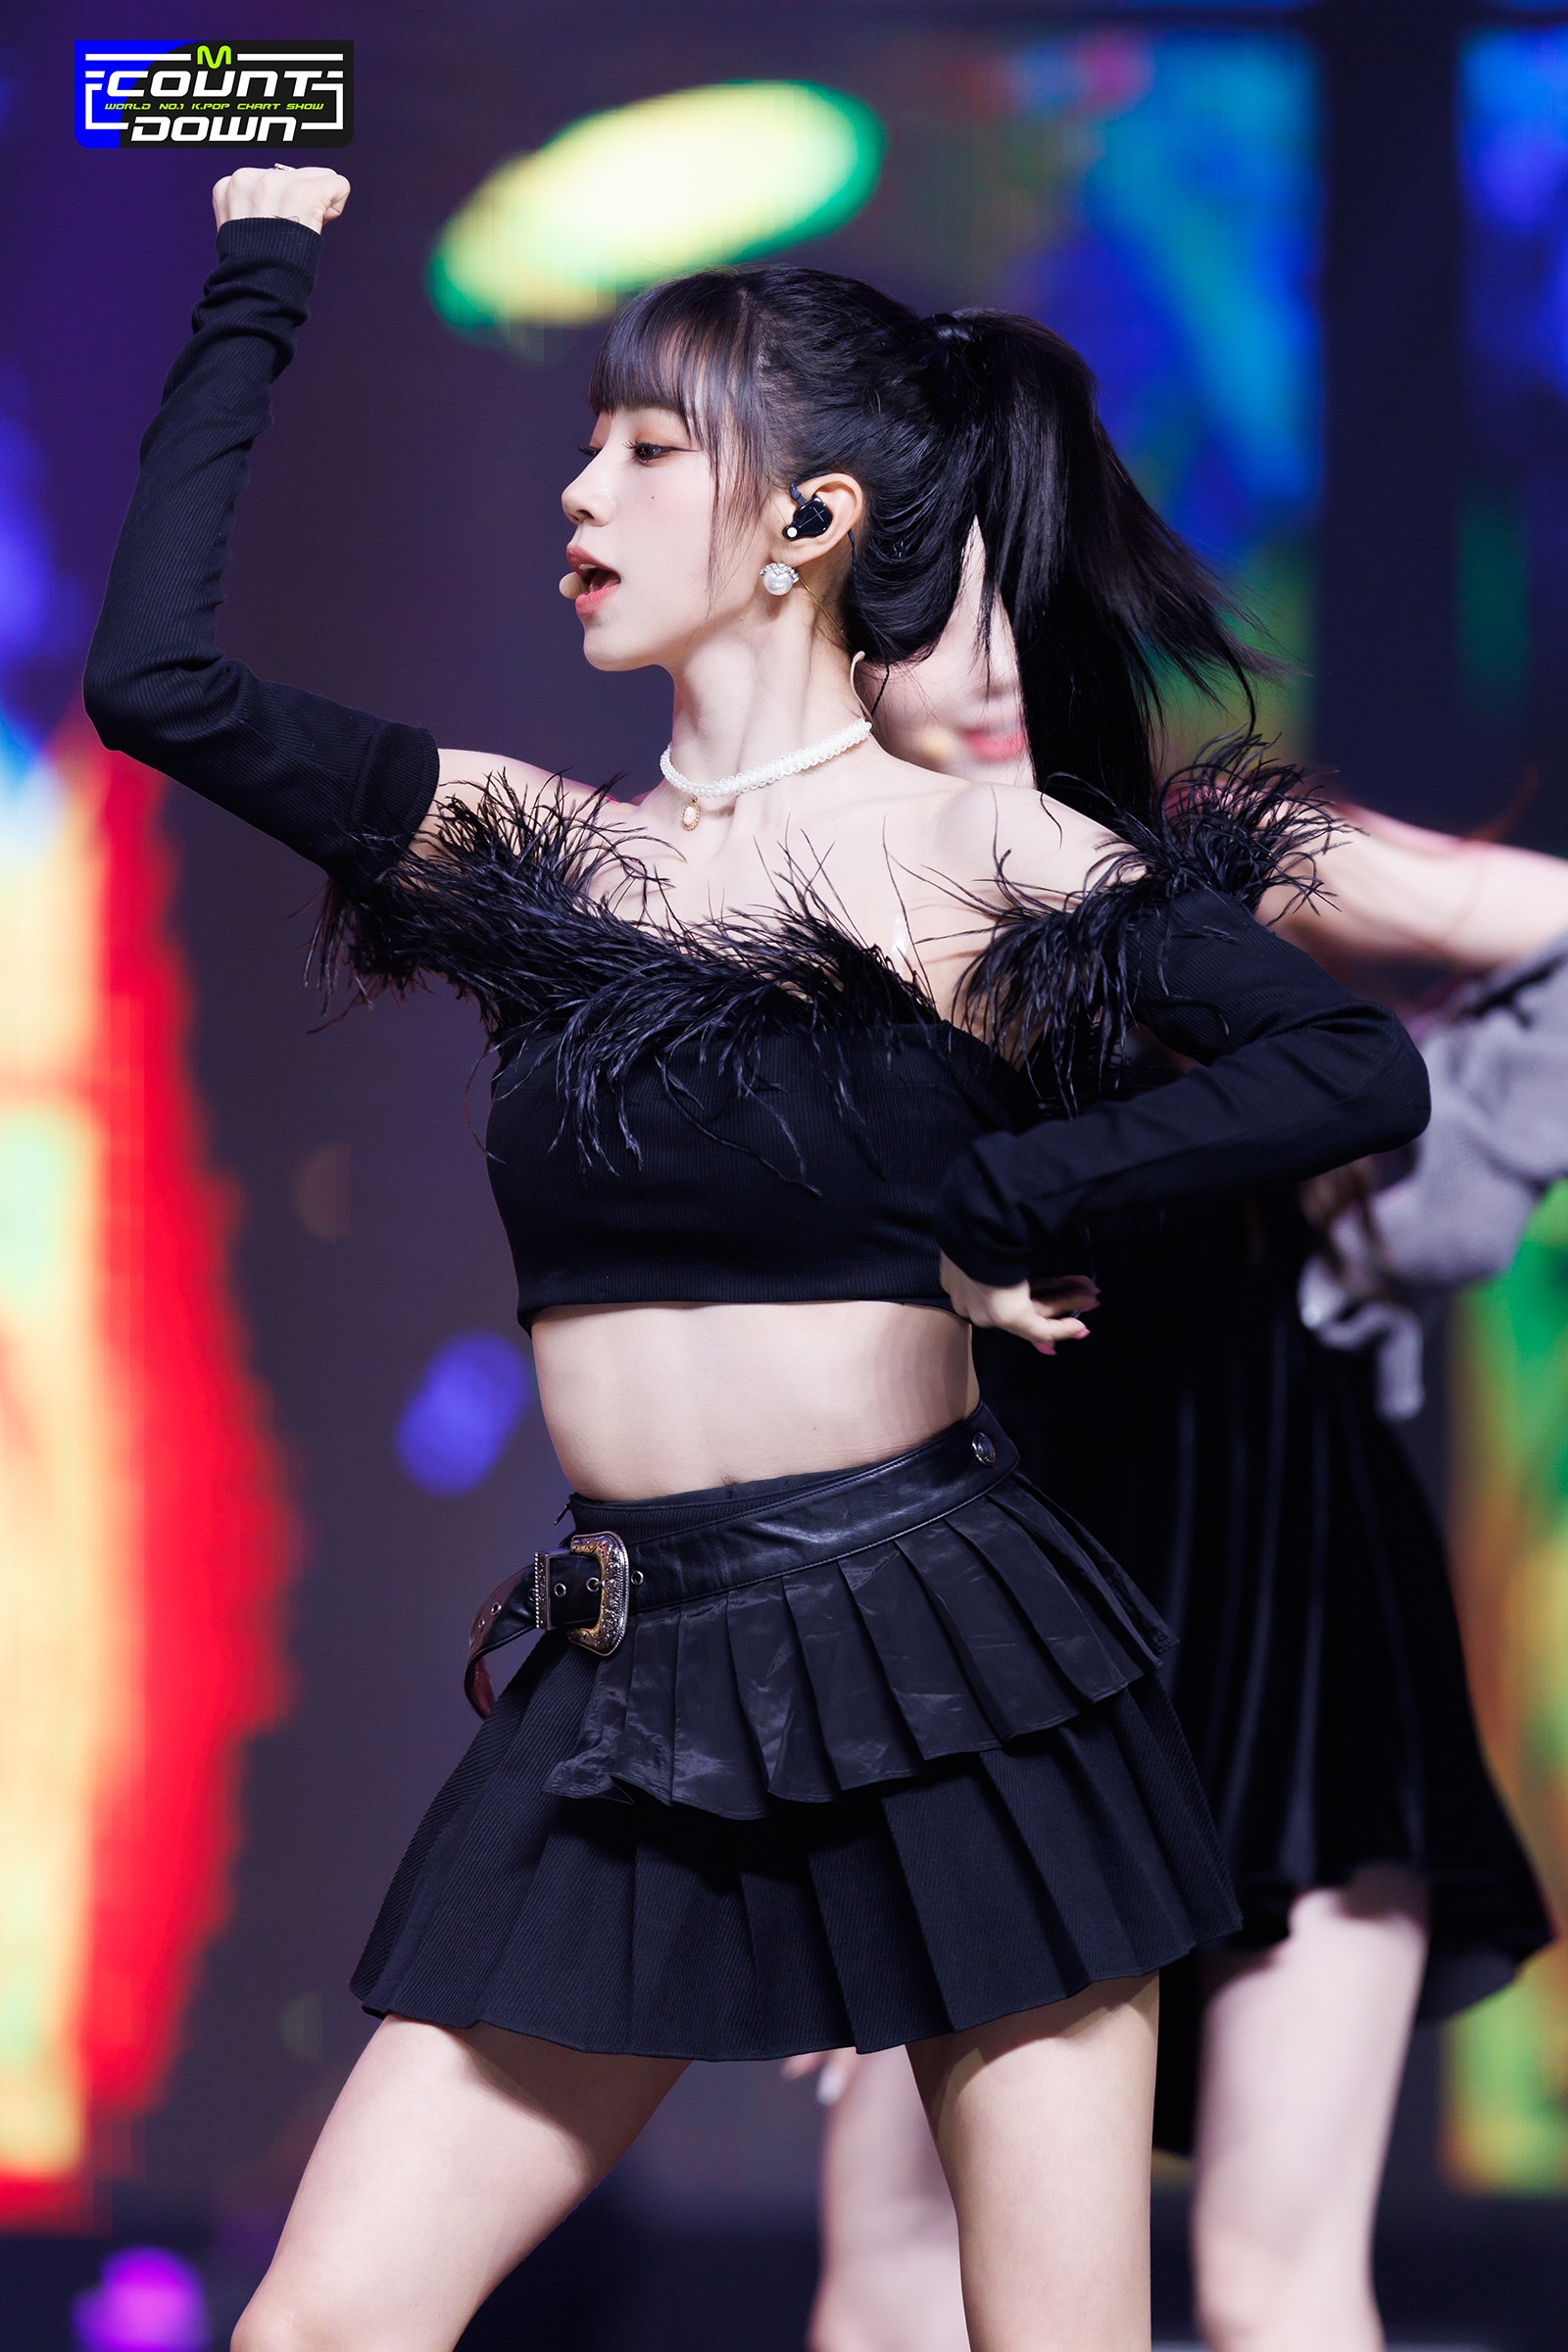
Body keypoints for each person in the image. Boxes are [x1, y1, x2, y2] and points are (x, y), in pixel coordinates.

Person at [84, 166, 1431, 2352]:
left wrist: (1012, 1194)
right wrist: (262, 258)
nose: (580, 490)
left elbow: (1344, 1070)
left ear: (808, 523)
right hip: (635, 1663)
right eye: (587, 441)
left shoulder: (978, 844)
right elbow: (154, 681)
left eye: (646, 448)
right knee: (321, 2328)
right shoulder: (542, 846)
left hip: (954, 1648)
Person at [798, 564, 1557, 2352]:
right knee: (900, 2274)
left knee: (1270, 2282)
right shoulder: (823, 911)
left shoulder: (1188, 882)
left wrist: (1343, 898)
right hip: (988, 1650)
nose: (996, 668)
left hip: (1289, 1617)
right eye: (934, 621)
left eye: (1024, 612)